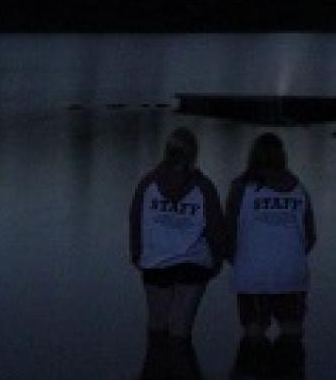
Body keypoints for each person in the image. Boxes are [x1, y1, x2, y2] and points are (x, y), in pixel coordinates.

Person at [128, 127, 225, 340]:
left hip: (155, 263)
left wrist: (136, 253)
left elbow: (135, 220)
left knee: (157, 328)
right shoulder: (204, 187)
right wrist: (218, 259)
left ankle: (158, 370)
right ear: (194, 154)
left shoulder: (148, 183)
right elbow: (216, 228)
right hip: (193, 264)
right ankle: (178, 370)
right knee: (180, 333)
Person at [226, 132, 317, 348]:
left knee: (254, 333)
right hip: (291, 273)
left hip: (252, 274)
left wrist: (237, 260)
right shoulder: (299, 188)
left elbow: (228, 232)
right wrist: (288, 254)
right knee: (292, 332)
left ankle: (253, 376)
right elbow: (310, 236)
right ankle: (289, 374)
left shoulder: (240, 188)